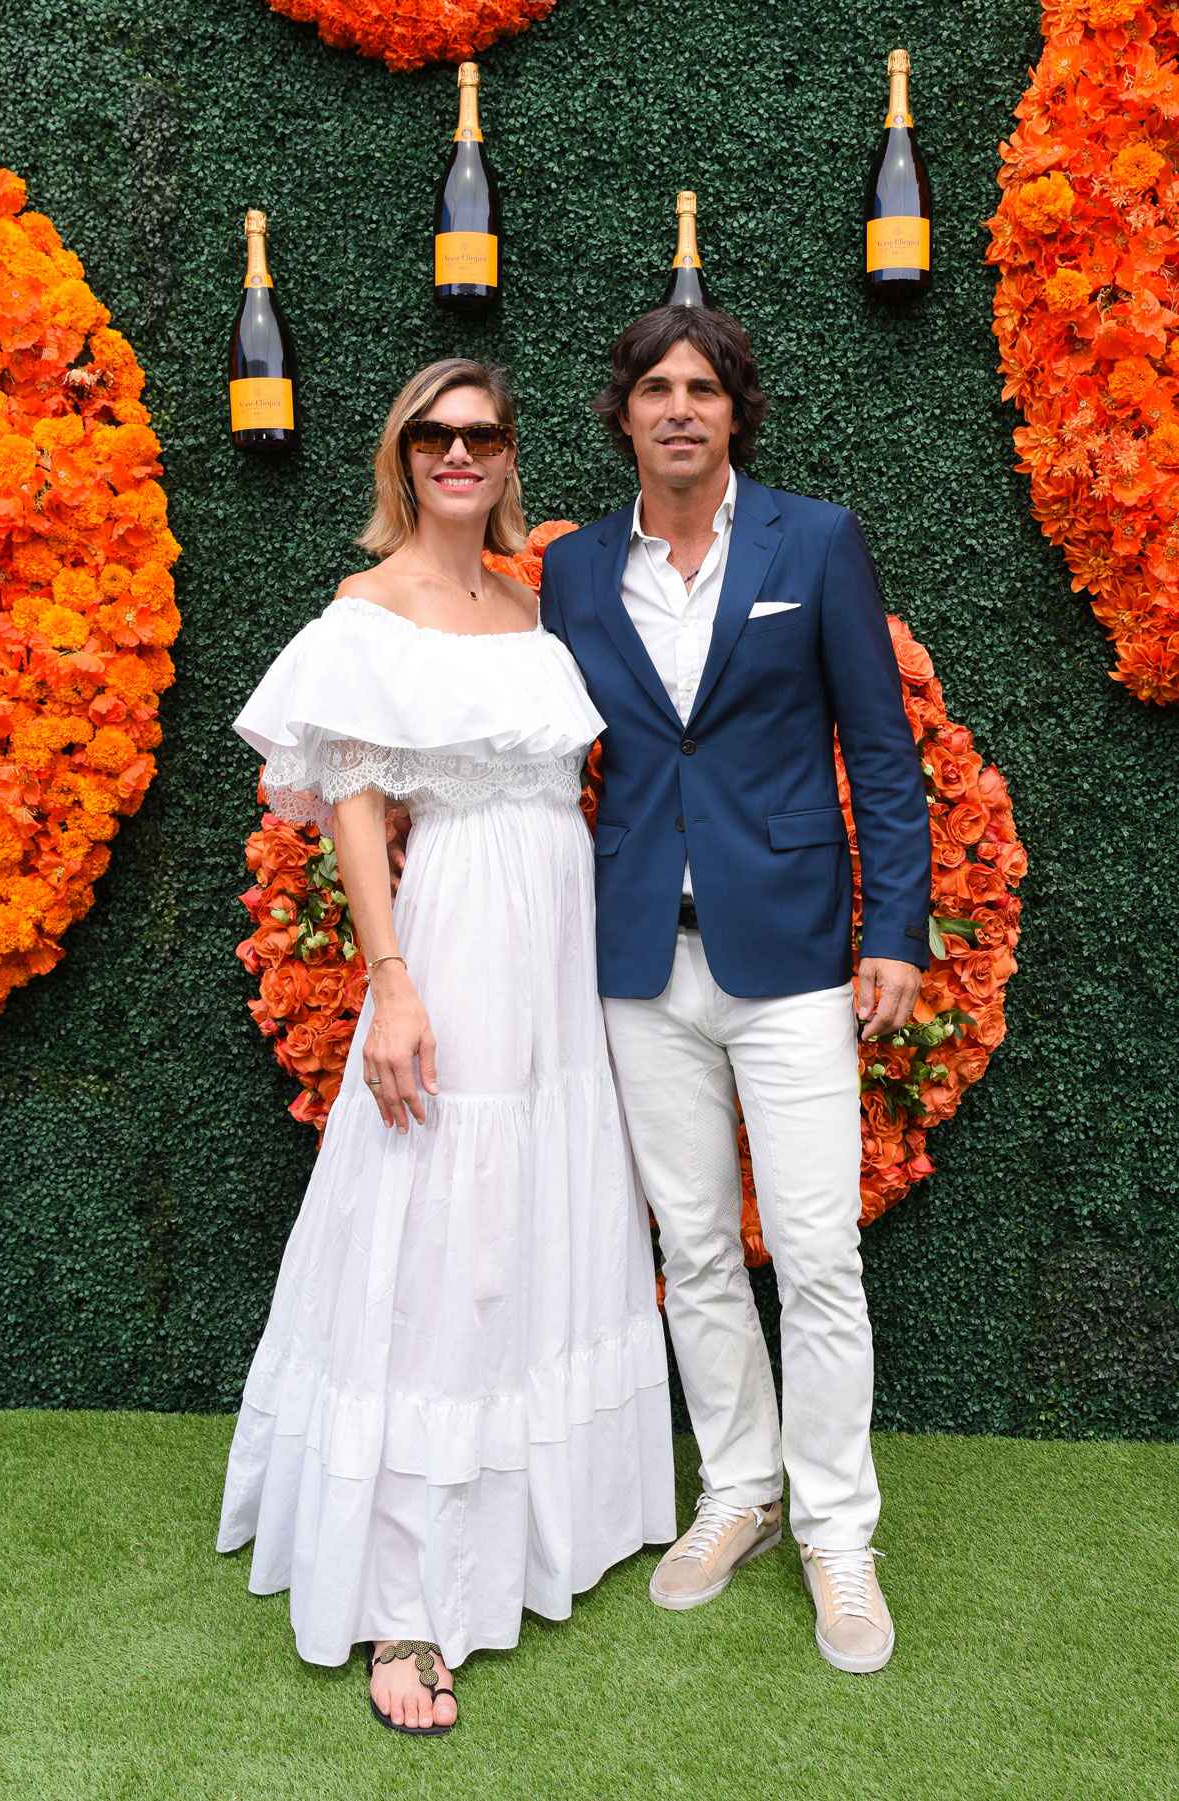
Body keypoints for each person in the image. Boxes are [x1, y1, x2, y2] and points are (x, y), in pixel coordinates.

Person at [217, 357, 675, 1734]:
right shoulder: (369, 610)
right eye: (434, 436)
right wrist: (392, 982)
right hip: (457, 931)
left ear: (508, 453)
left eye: (481, 433)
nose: (459, 454)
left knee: (537, 1207)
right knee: (441, 1227)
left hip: (557, 945)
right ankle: (406, 1598)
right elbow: (355, 800)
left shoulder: (531, 608)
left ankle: (539, 1522)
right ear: (402, 457)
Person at [539, 307, 932, 1676]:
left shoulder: (812, 543)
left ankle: (836, 1530)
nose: (679, 408)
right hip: (641, 959)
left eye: (702, 387)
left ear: (734, 411)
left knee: (817, 1254)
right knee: (696, 1249)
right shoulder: (574, 569)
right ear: (624, 413)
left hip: (792, 960)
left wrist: (895, 929)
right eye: (655, 386)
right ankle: (740, 1491)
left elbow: (879, 751)